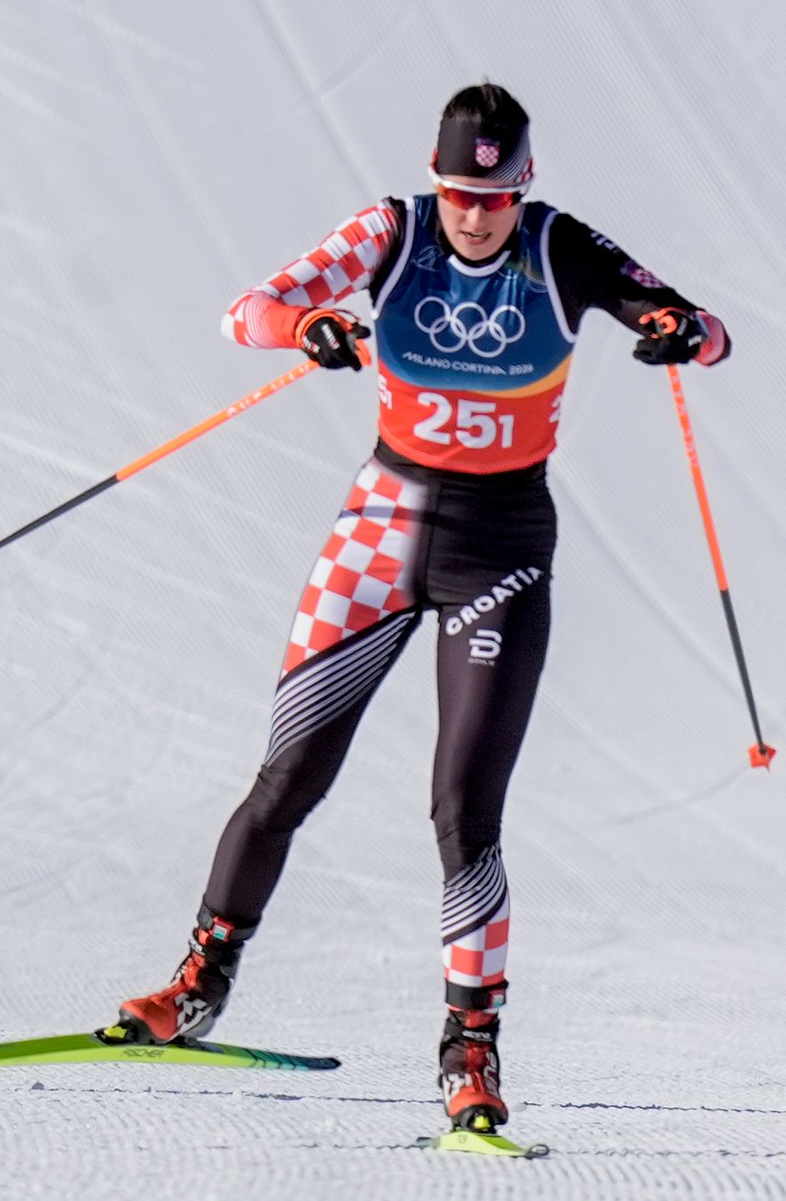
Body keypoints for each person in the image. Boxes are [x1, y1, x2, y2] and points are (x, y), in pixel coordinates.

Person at [117, 82, 729, 1133]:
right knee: (286, 778)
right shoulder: (394, 232)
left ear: (522, 184)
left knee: (463, 813)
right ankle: (198, 986)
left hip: (499, 553)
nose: (474, 213)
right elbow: (245, 311)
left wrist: (678, 330)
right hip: (378, 535)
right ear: (436, 177)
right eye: (459, 192)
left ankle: (471, 1052)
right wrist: (310, 321)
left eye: (492, 195)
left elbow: (707, 330)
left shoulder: (558, 246)